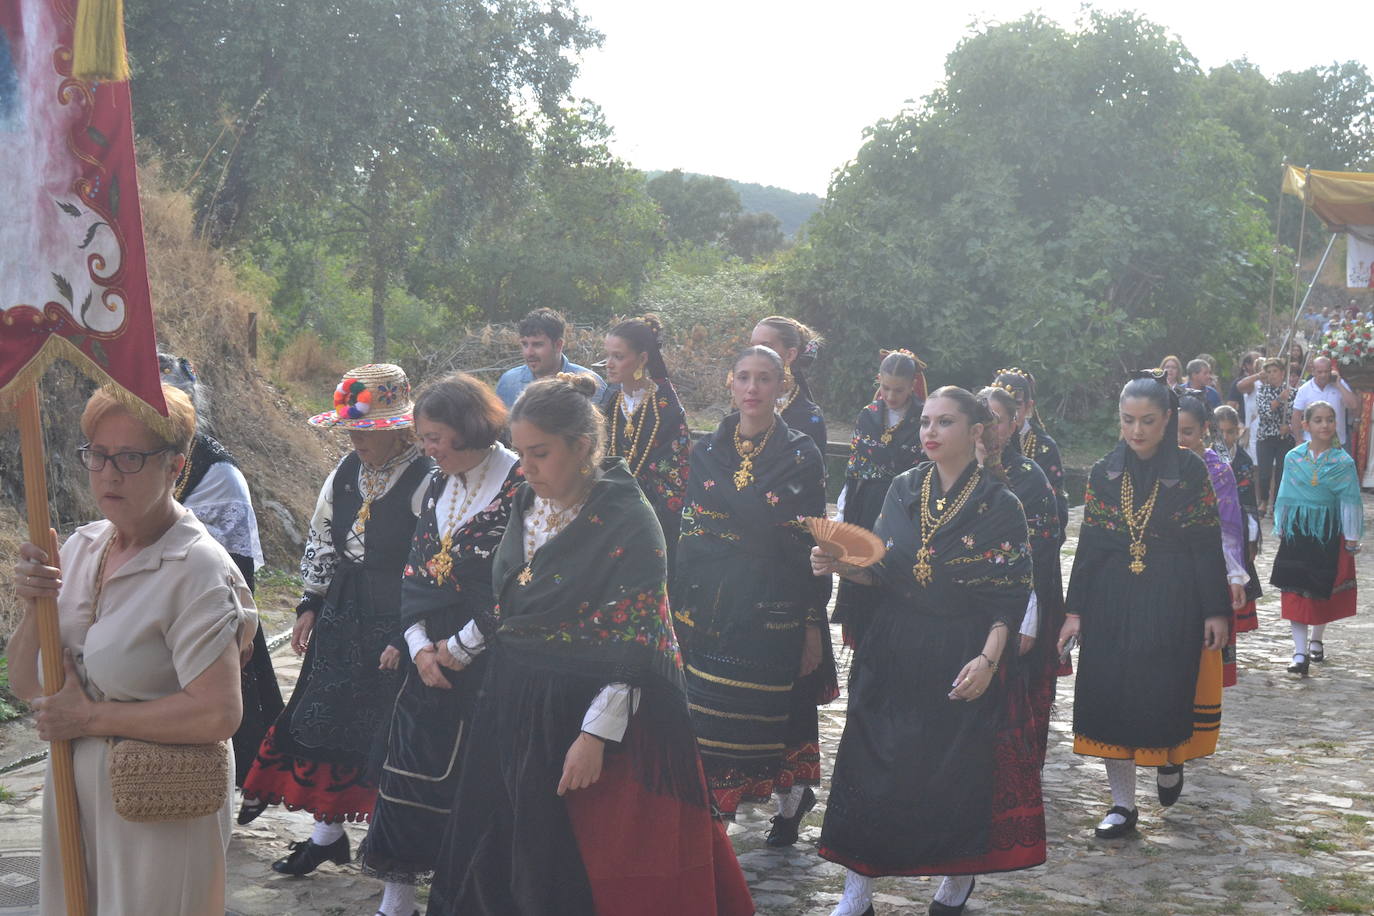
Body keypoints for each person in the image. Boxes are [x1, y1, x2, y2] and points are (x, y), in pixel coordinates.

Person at [425, 373, 753, 916]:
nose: (524, 468)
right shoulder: (525, 501)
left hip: (592, 713)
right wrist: (459, 649)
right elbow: (513, 603)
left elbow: (640, 635)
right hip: (514, 702)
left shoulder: (627, 520)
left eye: (540, 454)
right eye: (522, 453)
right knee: (498, 849)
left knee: (576, 868)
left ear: (580, 448)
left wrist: (595, 735)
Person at [9, 384, 256, 914]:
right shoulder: (80, 548)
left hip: (161, 805)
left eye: (130, 457)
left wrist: (90, 719)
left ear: (175, 466)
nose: (110, 473)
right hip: (74, 794)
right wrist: (35, 603)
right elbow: (30, 685)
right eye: (98, 455)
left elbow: (217, 712)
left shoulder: (196, 568)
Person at [814, 386, 1039, 916]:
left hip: (960, 648)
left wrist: (988, 660)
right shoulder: (902, 487)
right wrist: (839, 564)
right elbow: (884, 570)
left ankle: (956, 882)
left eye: (945, 423)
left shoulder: (1000, 504)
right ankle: (858, 890)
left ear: (975, 431)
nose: (930, 433)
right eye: (925, 422)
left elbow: (1009, 596)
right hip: (891, 644)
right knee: (869, 763)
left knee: (951, 772)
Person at [241, 364, 433, 874]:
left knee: (380, 731)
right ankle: (326, 835)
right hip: (343, 611)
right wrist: (309, 603)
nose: (355, 438)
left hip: (396, 618)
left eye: (366, 429)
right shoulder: (345, 472)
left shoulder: (428, 478)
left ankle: (385, 845)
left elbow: (430, 562)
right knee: (327, 718)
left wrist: (406, 632)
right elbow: (322, 536)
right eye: (351, 428)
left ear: (400, 427)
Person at [357, 373, 522, 916]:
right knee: (406, 770)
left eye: (436, 436)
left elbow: (520, 580)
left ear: (472, 427)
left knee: (473, 785)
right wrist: (419, 644)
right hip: (427, 655)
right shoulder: (436, 482)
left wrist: (463, 647)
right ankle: (395, 901)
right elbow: (416, 568)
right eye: (424, 436)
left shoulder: (519, 484)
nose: (428, 448)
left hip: (491, 660)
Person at [1058, 371, 1237, 841]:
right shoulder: (1103, 472)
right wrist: (1074, 611)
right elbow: (1091, 545)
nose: (1136, 431)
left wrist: (1215, 610)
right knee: (1109, 695)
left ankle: (1171, 760)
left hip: (1173, 596)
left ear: (1167, 420)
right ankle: (1122, 805)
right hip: (1111, 599)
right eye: (1128, 420)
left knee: (1162, 692)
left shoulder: (1191, 472)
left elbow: (1204, 543)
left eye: (1148, 421)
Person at [672, 345, 833, 844]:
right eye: (743, 377)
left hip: (773, 611)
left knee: (775, 722)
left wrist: (810, 624)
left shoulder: (801, 454)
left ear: (782, 385)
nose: (753, 388)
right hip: (710, 608)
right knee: (705, 721)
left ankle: (786, 803)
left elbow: (809, 540)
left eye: (764, 378)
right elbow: (692, 531)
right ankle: (711, 827)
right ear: (730, 382)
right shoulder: (707, 451)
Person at [157, 352, 283, 805]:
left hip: (208, 600)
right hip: (156, 601)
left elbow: (234, 561)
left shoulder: (217, 468)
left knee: (229, 687)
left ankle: (247, 780)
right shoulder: (137, 456)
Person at [978, 385, 1065, 766]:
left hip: (1017, 604)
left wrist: (1027, 612)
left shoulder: (1030, 476)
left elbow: (1040, 551)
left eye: (995, 420)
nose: (986, 429)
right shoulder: (949, 469)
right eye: (980, 419)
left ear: (1014, 424)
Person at [832, 349, 928, 648]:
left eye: (898, 390)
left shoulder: (924, 418)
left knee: (894, 577)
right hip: (867, 507)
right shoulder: (868, 415)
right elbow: (855, 470)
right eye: (885, 388)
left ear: (912, 385)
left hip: (906, 507)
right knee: (863, 576)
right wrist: (843, 514)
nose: (890, 395)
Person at [1270, 401, 1363, 676]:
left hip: (1327, 532)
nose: (1325, 425)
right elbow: (1285, 493)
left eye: (1330, 419)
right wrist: (1282, 525)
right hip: (1298, 531)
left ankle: (1316, 639)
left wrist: (1352, 535)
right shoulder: (1293, 458)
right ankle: (1299, 653)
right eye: (1318, 420)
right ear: (1305, 424)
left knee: (1321, 591)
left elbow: (1349, 501)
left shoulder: (1343, 462)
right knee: (1295, 591)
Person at [600, 315, 692, 575]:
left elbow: (674, 471)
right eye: (607, 355)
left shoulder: (667, 407)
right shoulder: (611, 401)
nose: (609, 364)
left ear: (642, 359)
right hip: (608, 509)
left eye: (618, 357)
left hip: (653, 517)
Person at [1176, 395, 1251, 689]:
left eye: (1188, 432)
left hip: (1206, 568)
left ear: (1204, 428)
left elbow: (1230, 529)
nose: (1180, 439)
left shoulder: (1219, 471)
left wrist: (1234, 575)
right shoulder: (1157, 465)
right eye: (1174, 431)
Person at [992, 368, 1068, 544]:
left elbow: (1055, 504)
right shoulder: (978, 440)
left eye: (1015, 404)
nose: (1008, 409)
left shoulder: (1044, 447)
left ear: (1028, 406)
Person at [1214, 405, 1263, 639]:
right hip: (1212, 530)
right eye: (1221, 431)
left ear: (1238, 431)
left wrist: (1252, 540)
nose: (1226, 437)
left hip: (1238, 529)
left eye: (1231, 431)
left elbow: (1250, 502)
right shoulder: (1206, 458)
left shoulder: (1243, 460)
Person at [495, 307, 606, 407]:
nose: (529, 352)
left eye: (537, 344)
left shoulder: (590, 386)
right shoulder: (509, 382)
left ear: (558, 345)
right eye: (524, 344)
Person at [751, 315, 828, 452]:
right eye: (752, 347)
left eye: (765, 347)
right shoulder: (745, 400)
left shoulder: (809, 417)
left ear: (790, 355)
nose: (755, 354)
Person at [1243, 358, 1296, 515]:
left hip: (1284, 438)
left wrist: (1290, 428)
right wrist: (1280, 399)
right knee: (1264, 473)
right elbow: (1265, 412)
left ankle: (1277, 504)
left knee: (1281, 473)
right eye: (1269, 372)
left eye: (1275, 371)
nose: (1272, 375)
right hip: (1266, 436)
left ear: (1282, 373)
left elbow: (1298, 415)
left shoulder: (1293, 392)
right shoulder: (1263, 391)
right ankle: (1264, 500)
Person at [1291, 357, 1360, 445]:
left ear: (1331, 371)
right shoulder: (1304, 389)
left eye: (1326, 371)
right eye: (1320, 372)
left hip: (1337, 442)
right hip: (1311, 441)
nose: (1323, 375)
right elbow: (1296, 415)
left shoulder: (1340, 384)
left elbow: (1353, 405)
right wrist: (1298, 439)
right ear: (1313, 371)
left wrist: (1338, 385)